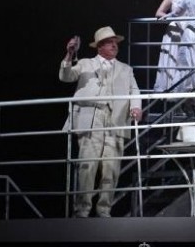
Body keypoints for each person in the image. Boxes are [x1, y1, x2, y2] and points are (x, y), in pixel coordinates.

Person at [59, 26, 142, 218]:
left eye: (115, 42)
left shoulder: (126, 69)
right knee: (87, 166)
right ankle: (82, 210)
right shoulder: (86, 63)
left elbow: (134, 90)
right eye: (109, 42)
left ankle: (104, 210)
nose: (114, 45)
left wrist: (136, 107)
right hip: (92, 117)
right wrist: (69, 55)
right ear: (99, 47)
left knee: (111, 168)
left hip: (115, 119)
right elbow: (66, 76)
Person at [153, 0, 190, 94]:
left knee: (188, 62)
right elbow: (159, 13)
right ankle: (172, 95)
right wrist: (172, 15)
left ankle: (187, 97)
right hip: (176, 31)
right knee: (174, 62)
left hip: (190, 31)